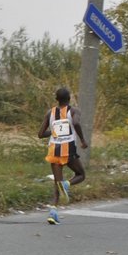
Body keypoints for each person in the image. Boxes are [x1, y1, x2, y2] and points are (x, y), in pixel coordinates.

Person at [37, 86, 88, 225]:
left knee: (56, 184)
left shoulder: (50, 113)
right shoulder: (74, 111)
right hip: (68, 151)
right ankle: (67, 183)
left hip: (54, 151)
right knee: (81, 174)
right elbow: (76, 122)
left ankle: (53, 213)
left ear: (56, 99)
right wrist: (82, 140)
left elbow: (40, 134)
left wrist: (53, 132)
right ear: (69, 98)